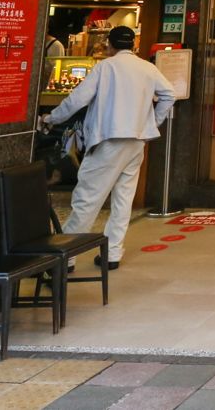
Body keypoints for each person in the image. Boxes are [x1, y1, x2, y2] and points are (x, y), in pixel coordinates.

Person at [42, 26, 175, 269]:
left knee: (87, 199)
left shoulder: (105, 68)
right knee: (123, 199)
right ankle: (112, 253)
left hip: (108, 141)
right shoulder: (148, 67)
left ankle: (66, 257)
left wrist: (52, 118)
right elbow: (169, 94)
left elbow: (77, 100)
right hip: (136, 142)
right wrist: (152, 123)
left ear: (110, 45)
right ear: (133, 45)